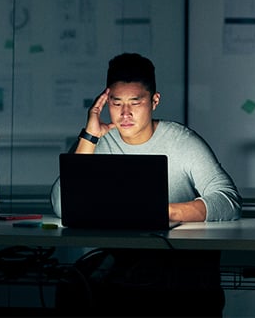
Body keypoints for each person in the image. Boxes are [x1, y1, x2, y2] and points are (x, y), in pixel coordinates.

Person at [52, 52, 241, 316]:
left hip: (184, 281)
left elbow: (229, 200)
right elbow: (63, 205)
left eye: (135, 102)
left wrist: (166, 211)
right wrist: (90, 135)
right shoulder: (97, 141)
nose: (125, 113)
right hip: (124, 281)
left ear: (154, 101)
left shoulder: (182, 142)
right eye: (116, 103)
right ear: (105, 103)